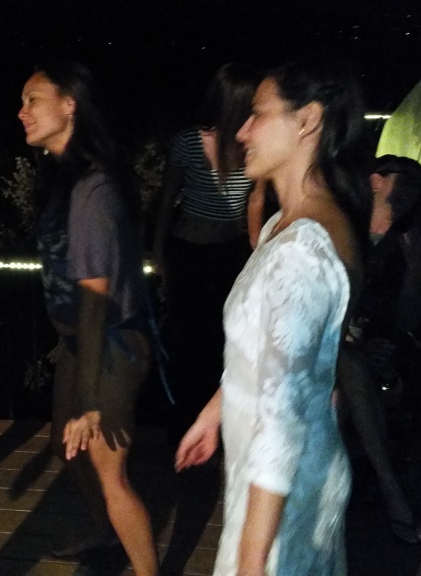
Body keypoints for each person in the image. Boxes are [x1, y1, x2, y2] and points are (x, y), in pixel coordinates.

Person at [175, 57, 370, 575]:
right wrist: (216, 411)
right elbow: (271, 352)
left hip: (284, 490)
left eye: (257, 114)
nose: (241, 131)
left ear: (307, 120)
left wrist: (252, 559)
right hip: (275, 475)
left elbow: (282, 420)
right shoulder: (284, 224)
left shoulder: (301, 252)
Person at [19, 61, 157, 576]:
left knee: (108, 467)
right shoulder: (69, 178)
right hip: (80, 340)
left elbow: (96, 300)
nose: (22, 111)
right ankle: (106, 534)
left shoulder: (92, 189)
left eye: (33, 99)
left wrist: (94, 399)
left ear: (69, 104)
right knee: (67, 446)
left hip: (111, 341)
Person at [150, 63, 260, 439]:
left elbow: (255, 200)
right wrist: (158, 251)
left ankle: (218, 426)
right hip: (189, 250)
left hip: (231, 251)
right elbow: (168, 197)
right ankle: (182, 425)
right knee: (186, 337)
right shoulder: (190, 141)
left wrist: (256, 253)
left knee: (226, 338)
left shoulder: (254, 144)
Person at [337, 155, 421, 544]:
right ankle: (391, 488)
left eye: (418, 184)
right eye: (403, 179)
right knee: (349, 365)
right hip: (328, 340)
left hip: (374, 345)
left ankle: (335, 494)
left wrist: (415, 272)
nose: (412, 190)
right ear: (375, 180)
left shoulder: (411, 241)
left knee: (354, 378)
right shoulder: (341, 226)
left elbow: (409, 319)